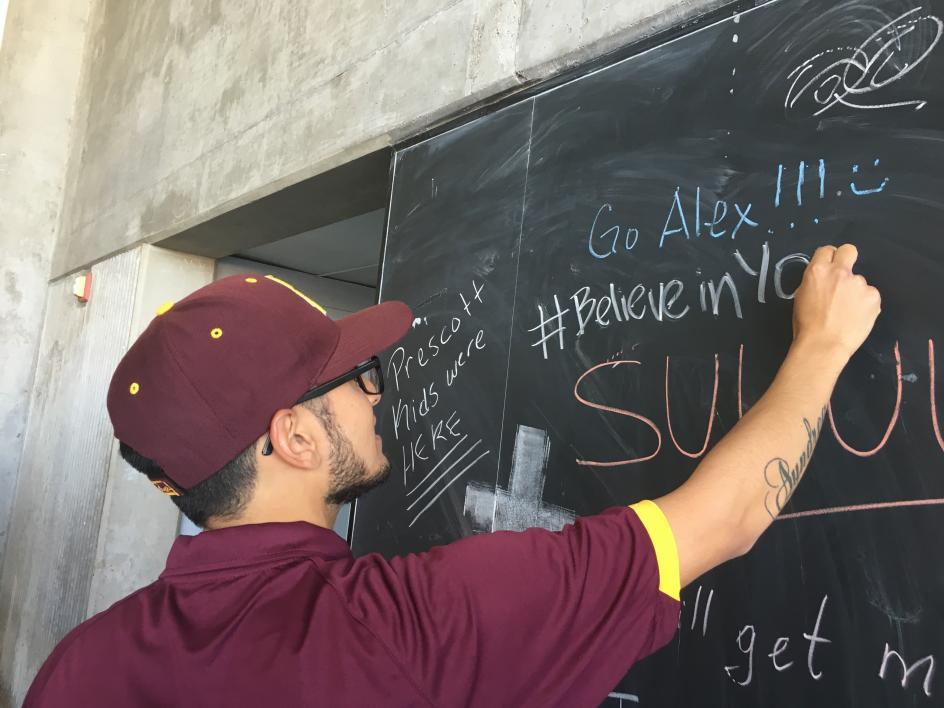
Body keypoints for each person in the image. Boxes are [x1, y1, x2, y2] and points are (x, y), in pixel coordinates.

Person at [24, 244, 880, 707]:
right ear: (292, 437)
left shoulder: (75, 671)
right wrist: (823, 347)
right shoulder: (417, 624)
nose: (373, 392)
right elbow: (722, 520)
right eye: (354, 378)